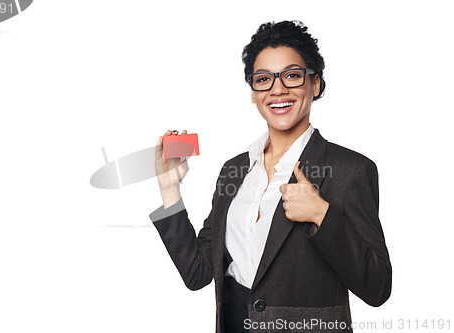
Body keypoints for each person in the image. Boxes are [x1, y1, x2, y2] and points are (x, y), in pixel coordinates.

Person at [149, 20, 392, 333]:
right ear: (253, 92)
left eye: (291, 75)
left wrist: (322, 214)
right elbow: (198, 274)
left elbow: (378, 288)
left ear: (315, 84)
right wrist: (170, 190)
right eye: (263, 79)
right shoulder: (233, 171)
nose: (277, 89)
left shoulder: (350, 170)